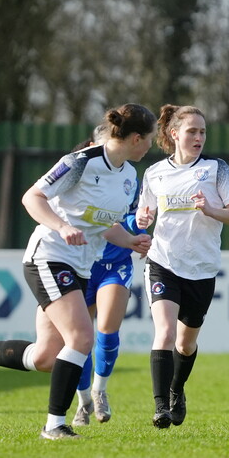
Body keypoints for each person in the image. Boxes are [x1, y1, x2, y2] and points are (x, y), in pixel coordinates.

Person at [0, 104, 156, 440]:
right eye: (150, 139)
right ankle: (55, 425)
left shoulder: (128, 176)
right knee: (81, 338)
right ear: (136, 138)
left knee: (45, 357)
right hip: (49, 257)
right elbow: (32, 197)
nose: (150, 146)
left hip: (79, 266)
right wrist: (61, 226)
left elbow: (103, 225)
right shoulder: (80, 161)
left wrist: (131, 241)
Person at [135, 104, 229, 429]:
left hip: (202, 268)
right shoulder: (155, 173)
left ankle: (176, 390)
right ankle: (160, 407)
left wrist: (212, 209)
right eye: (192, 131)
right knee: (165, 333)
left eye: (203, 132)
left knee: (185, 343)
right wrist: (142, 219)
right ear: (174, 134)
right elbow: (144, 214)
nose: (199, 137)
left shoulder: (215, 169)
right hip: (163, 262)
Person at [69, 125, 148, 427]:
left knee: (107, 329)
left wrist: (137, 225)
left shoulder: (129, 176)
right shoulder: (78, 169)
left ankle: (100, 391)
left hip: (115, 262)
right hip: (82, 262)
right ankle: (83, 400)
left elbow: (128, 216)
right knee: (79, 338)